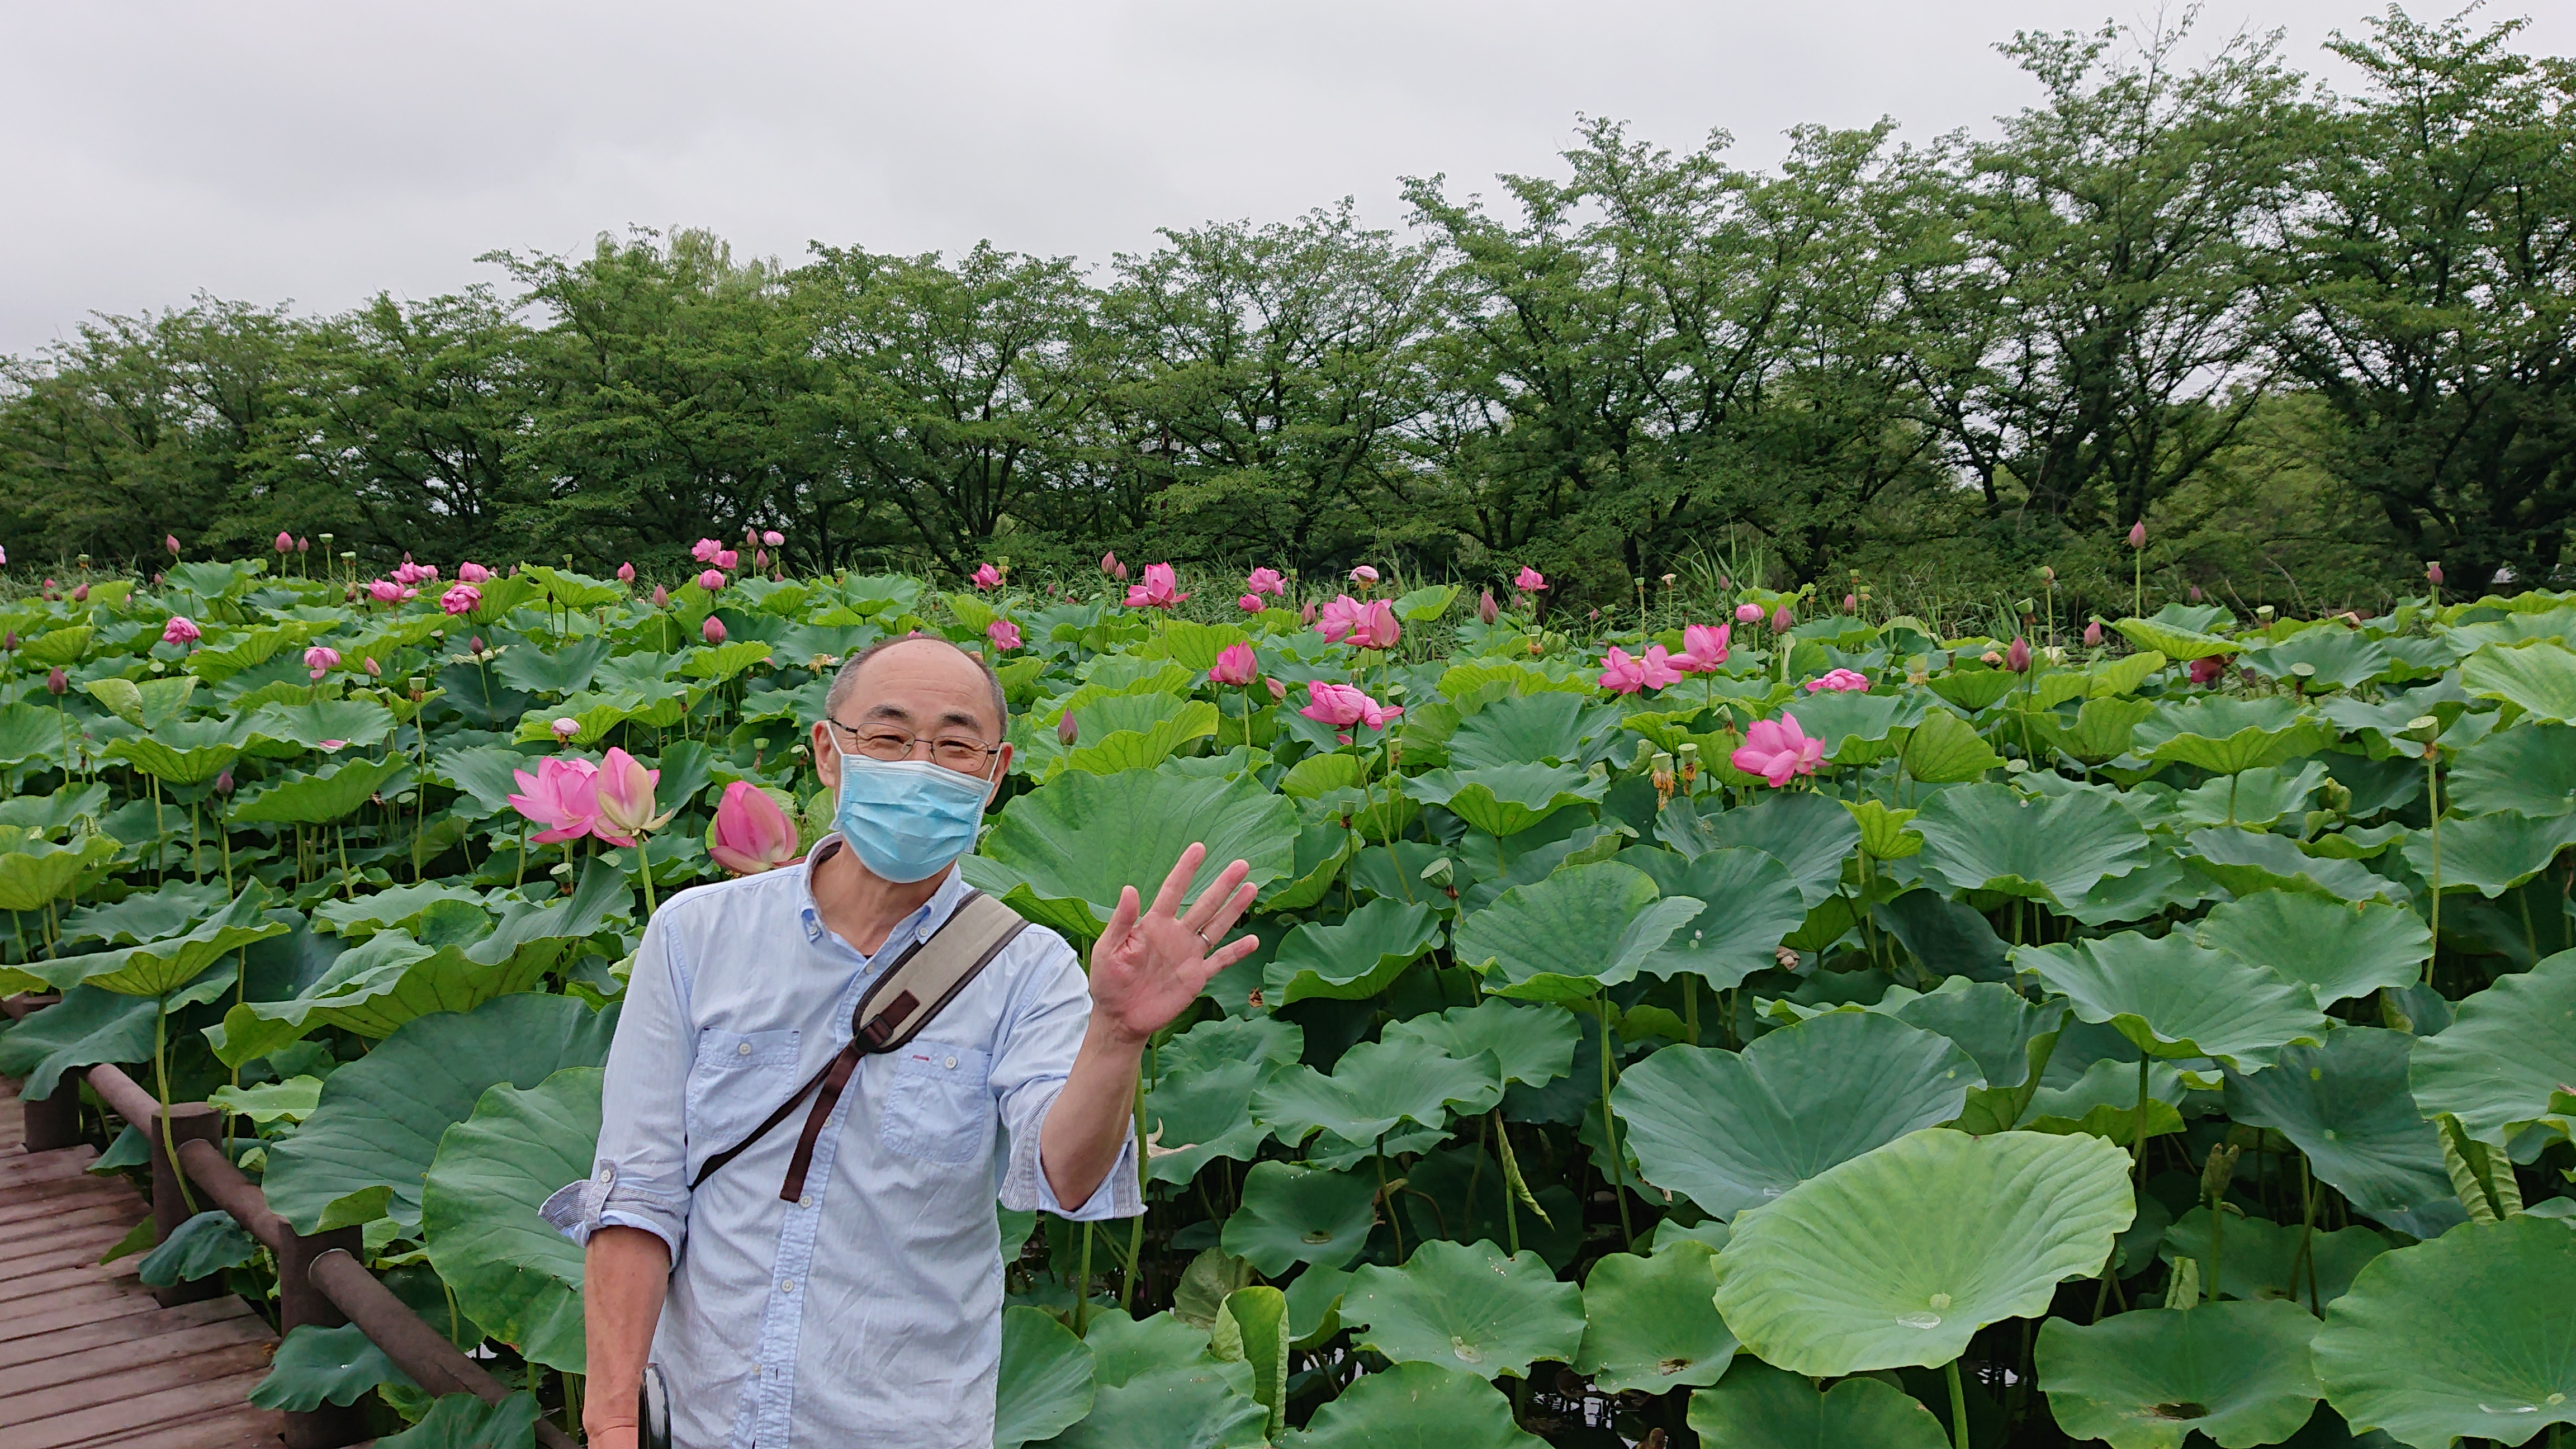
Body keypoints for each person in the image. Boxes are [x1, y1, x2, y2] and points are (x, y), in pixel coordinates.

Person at [546, 634, 1260, 1448]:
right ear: (827, 752)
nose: (921, 766)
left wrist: (1117, 1035)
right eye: (887, 739)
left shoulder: (1028, 968)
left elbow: (1064, 1178)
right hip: (704, 1421)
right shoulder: (694, 935)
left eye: (956, 746)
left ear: (994, 776)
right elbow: (637, 1197)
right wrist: (609, 1428)